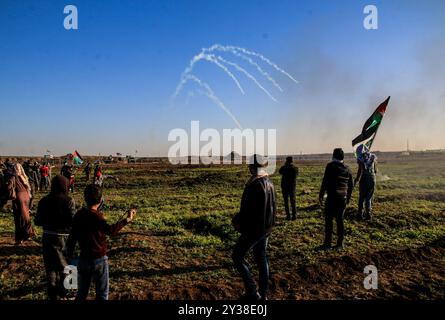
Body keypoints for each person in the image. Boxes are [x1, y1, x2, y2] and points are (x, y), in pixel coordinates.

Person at [66, 184, 136, 300]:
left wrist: (69, 255)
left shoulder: (79, 215)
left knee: (82, 292)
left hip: (83, 258)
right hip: (99, 260)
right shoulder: (97, 216)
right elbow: (111, 230)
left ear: (85, 198)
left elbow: (72, 237)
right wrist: (127, 220)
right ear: (100, 200)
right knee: (102, 294)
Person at [232, 154, 277, 301]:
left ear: (252, 168)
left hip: (254, 230)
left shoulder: (253, 184)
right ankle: (263, 294)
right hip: (266, 228)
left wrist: (238, 222)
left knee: (237, 256)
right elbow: (273, 207)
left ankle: (252, 291)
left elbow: (248, 211)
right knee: (261, 257)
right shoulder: (269, 182)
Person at [35, 176, 76, 300]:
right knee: (67, 266)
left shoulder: (43, 201)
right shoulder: (69, 200)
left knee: (50, 266)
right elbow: (73, 220)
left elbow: (38, 221)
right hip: (64, 237)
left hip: (47, 236)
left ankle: (52, 293)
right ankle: (66, 293)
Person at [318, 148, 353, 250]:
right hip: (342, 198)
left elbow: (325, 181)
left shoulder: (330, 166)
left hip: (332, 198)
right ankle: (340, 244)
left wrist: (321, 195)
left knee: (329, 221)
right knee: (340, 220)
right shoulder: (347, 169)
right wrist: (348, 198)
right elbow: (351, 185)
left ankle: (327, 244)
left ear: (333, 156)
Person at [6, 163, 35, 245]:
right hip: (26, 197)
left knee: (19, 217)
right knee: (25, 215)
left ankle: (21, 238)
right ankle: (28, 234)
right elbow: (29, 188)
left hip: (19, 197)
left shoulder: (13, 176)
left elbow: (9, 187)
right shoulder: (24, 176)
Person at [354, 144, 377, 220]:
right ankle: (368, 213)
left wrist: (356, 179)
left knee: (362, 196)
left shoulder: (361, 158)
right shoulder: (372, 157)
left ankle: (360, 213)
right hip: (372, 178)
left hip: (364, 179)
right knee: (368, 197)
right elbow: (375, 170)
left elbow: (360, 170)